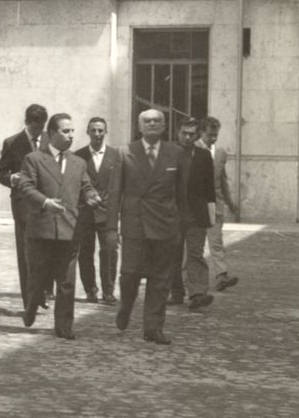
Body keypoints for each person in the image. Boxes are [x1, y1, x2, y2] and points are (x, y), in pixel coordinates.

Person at [18, 114, 101, 340]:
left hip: (69, 229)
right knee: (37, 277)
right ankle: (32, 305)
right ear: (51, 133)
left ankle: (64, 327)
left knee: (66, 281)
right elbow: (25, 186)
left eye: (72, 131)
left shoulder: (78, 162)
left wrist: (92, 195)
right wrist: (45, 202)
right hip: (41, 230)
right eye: (65, 131)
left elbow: (85, 186)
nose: (71, 135)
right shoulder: (34, 159)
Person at [116, 109, 185, 345]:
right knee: (129, 274)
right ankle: (126, 305)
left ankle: (153, 328)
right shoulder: (126, 152)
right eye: (147, 121)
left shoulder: (176, 152)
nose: (152, 124)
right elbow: (115, 192)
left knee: (160, 279)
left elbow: (182, 193)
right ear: (139, 126)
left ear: (165, 126)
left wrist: (180, 226)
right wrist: (110, 229)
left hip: (165, 225)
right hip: (135, 223)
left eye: (157, 121)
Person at [0, 104, 49, 310]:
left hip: (46, 202)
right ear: (27, 123)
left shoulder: (48, 140)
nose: (38, 131)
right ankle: (30, 301)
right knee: (26, 252)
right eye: (35, 127)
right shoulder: (12, 143)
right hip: (23, 205)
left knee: (45, 250)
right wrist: (12, 178)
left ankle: (43, 291)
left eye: (41, 127)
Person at [73, 117, 121, 304]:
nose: (97, 134)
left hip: (108, 214)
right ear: (87, 132)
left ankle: (108, 291)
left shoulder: (115, 156)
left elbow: (119, 185)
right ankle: (90, 290)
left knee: (109, 251)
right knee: (85, 253)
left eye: (100, 130)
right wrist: (84, 198)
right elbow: (73, 183)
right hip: (85, 213)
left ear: (106, 132)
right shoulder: (78, 156)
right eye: (93, 130)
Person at [169, 118, 215, 312]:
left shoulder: (204, 156)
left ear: (197, 135)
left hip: (196, 215)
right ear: (178, 132)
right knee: (173, 255)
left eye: (192, 134)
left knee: (196, 254)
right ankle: (176, 292)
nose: (188, 137)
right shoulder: (169, 153)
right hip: (173, 213)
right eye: (184, 133)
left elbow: (209, 188)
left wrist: (211, 214)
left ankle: (197, 294)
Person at [198, 117, 240, 291]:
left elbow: (223, 180)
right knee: (194, 244)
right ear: (201, 132)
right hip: (196, 205)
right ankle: (184, 276)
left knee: (216, 241)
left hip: (215, 205)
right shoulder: (193, 149)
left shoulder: (221, 153)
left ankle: (221, 276)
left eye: (216, 135)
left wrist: (230, 202)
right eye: (210, 135)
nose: (213, 138)